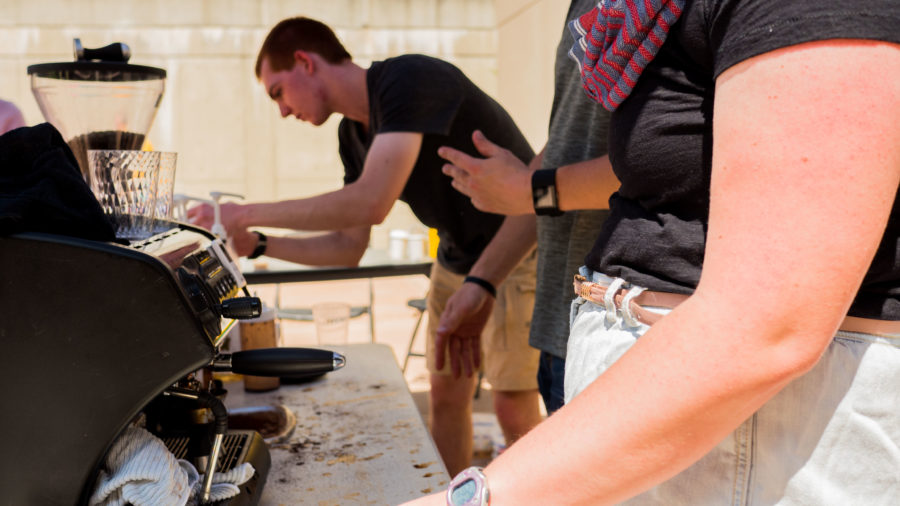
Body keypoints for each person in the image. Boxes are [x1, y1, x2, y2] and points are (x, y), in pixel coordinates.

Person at [404, 0, 900, 504]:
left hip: (739, 426)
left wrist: (472, 498)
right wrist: (484, 277)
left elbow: (768, 324)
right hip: (629, 359)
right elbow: (600, 142)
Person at [187, 17, 543, 477]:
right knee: (446, 396)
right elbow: (347, 247)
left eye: (278, 92)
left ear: (304, 62)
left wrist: (246, 211)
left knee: (514, 408)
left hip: (516, 248)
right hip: (455, 258)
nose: (282, 111)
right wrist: (259, 244)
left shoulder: (406, 79)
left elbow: (372, 201)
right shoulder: (351, 135)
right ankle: (450, 494)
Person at [435, 0, 616, 415]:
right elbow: (564, 148)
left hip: (618, 341)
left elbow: (662, 160)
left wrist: (534, 190)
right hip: (560, 332)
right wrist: (481, 283)